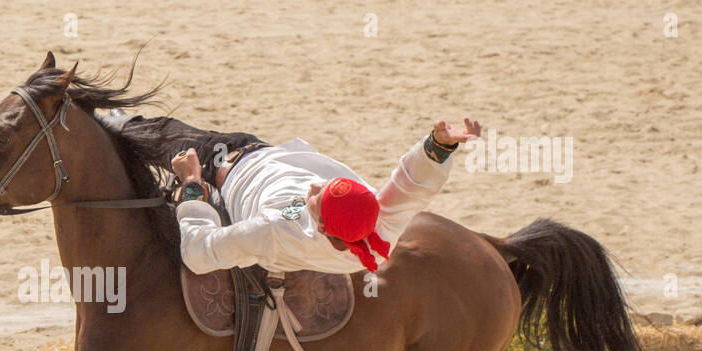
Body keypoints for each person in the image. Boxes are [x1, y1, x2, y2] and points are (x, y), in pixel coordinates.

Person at [171, 119, 481, 275]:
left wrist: (191, 184)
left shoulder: (274, 229)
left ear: (320, 227)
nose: (315, 186)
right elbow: (411, 186)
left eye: (316, 198)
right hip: (267, 156)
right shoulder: (377, 226)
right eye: (329, 184)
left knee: (154, 133)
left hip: (224, 165)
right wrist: (439, 145)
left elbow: (199, 254)